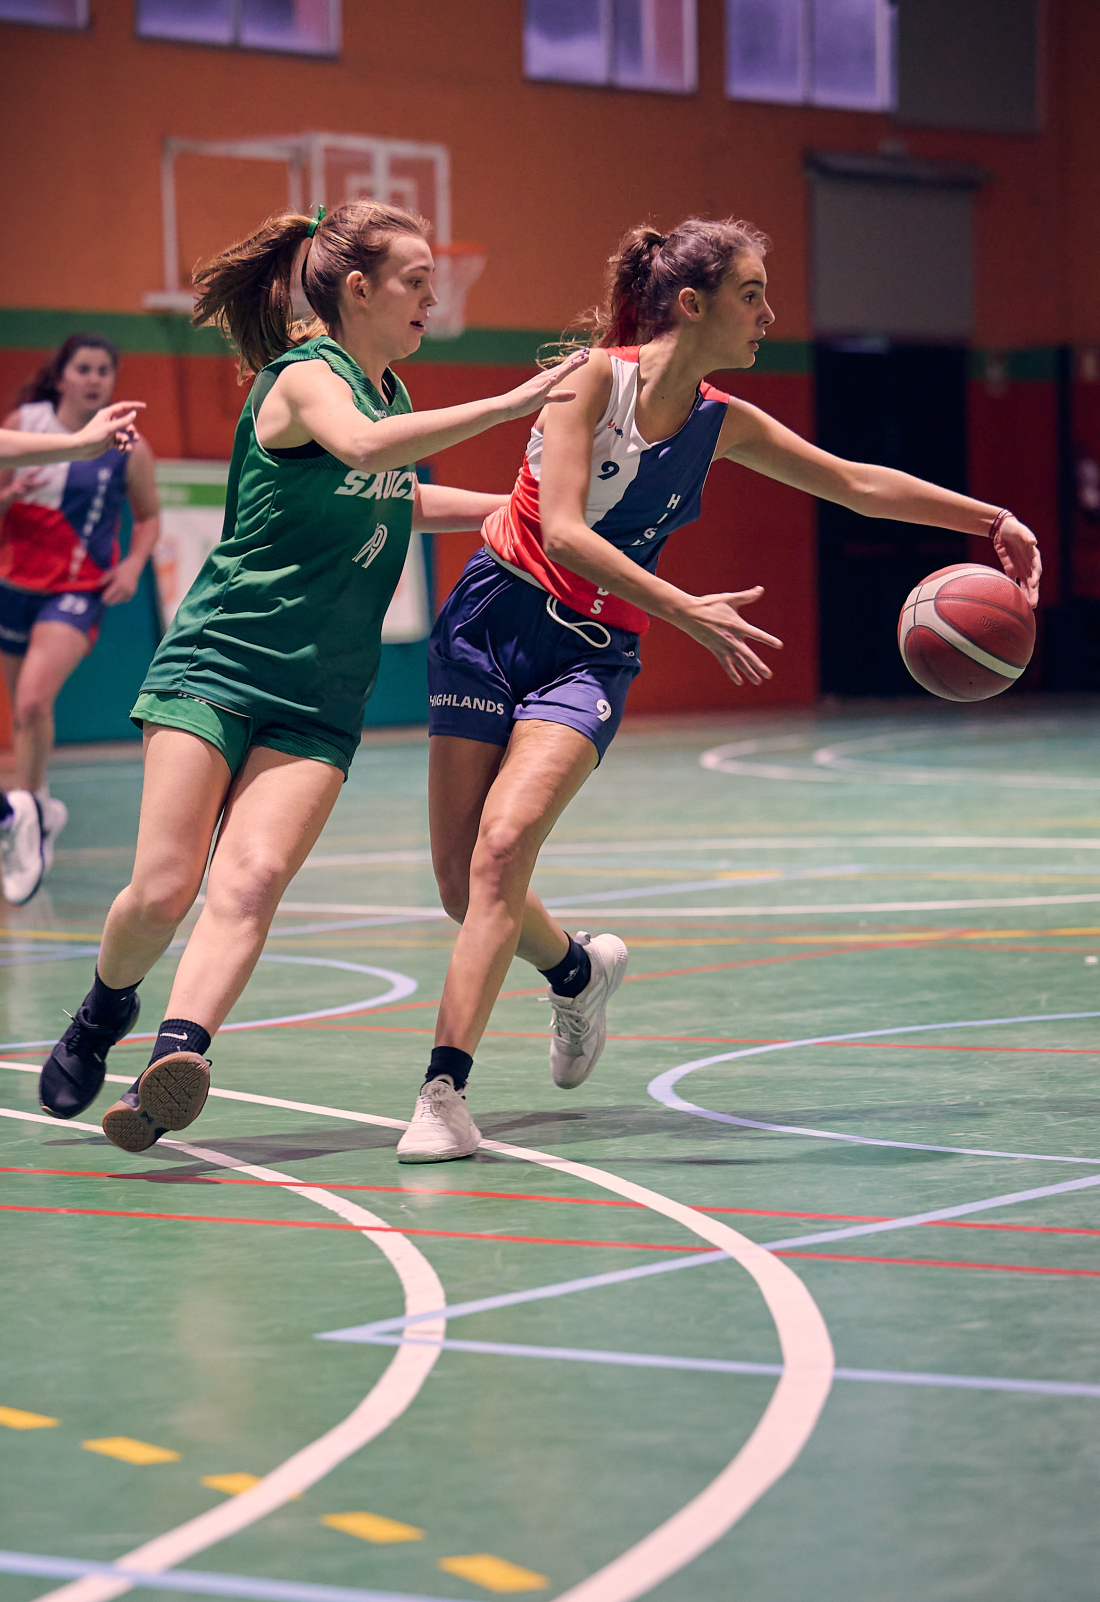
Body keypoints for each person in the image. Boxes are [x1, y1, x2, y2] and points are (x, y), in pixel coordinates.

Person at [398, 214, 1043, 1164]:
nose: (769, 315)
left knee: (502, 850)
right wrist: (686, 608)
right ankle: (577, 972)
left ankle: (443, 1093)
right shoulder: (589, 382)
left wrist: (989, 519)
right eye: (752, 295)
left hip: (590, 652)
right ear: (692, 305)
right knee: (462, 886)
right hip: (488, 622)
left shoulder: (721, 422)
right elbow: (564, 531)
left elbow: (855, 484)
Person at [36, 199, 584, 1154]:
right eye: (416, 282)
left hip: (322, 694)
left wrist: (522, 511)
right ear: (358, 290)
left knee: (250, 881)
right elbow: (365, 453)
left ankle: (175, 1058)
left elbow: (395, 493)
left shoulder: (393, 397)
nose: (432, 299)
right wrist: (513, 403)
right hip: (218, 663)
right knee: (162, 892)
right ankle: (103, 1009)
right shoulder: (301, 381)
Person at [0, 335, 159, 905]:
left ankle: (26, 819)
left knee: (32, 702)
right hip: (14, 585)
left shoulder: (127, 445)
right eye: (83, 369)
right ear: (61, 375)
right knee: (23, 716)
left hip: (76, 589)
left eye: (103, 371)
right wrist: (9, 494)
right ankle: (39, 805)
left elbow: (148, 518)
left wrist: (133, 565)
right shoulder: (26, 425)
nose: (94, 379)